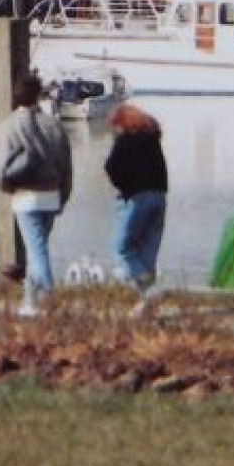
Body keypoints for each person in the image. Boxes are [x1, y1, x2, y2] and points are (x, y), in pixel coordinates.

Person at [0, 73, 74, 316]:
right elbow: (67, 167)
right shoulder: (55, 125)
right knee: (38, 248)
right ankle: (28, 302)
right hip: (52, 196)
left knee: (36, 252)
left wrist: (7, 187)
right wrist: (63, 197)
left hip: (26, 198)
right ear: (39, 95)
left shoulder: (9, 126)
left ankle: (49, 301)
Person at [104, 103, 169, 315]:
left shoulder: (126, 140)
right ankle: (146, 307)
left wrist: (123, 186)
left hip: (136, 198)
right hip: (159, 197)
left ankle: (149, 291)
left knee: (121, 247)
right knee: (147, 253)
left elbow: (112, 167)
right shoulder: (153, 139)